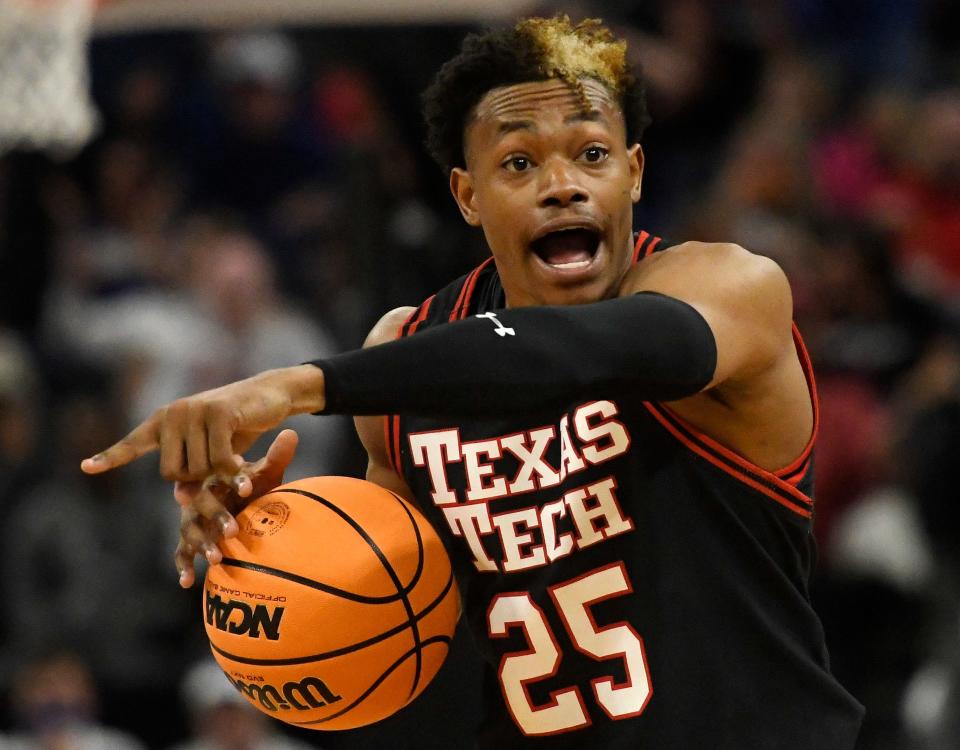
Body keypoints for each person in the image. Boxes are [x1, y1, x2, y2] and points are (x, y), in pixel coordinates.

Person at [81, 15, 864, 748]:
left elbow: (571, 352)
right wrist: (258, 542)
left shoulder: (729, 290)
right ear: (467, 194)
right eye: (519, 163)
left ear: (633, 174)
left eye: (592, 154)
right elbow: (390, 606)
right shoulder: (406, 354)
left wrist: (295, 384)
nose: (563, 185)